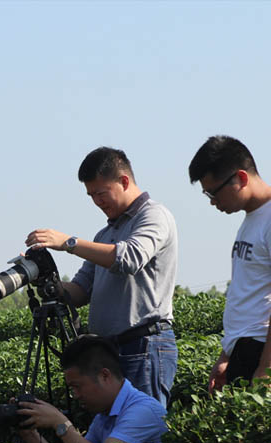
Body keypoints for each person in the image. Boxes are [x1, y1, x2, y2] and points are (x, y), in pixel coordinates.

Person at [25, 146, 179, 407]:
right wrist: (46, 281)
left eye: (101, 193)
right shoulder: (104, 235)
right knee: (111, 434)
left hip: (144, 346)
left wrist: (68, 243)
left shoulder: (154, 216)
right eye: (91, 195)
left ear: (124, 181)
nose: (97, 201)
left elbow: (129, 258)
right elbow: (81, 290)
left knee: (144, 431)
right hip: (108, 352)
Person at [188, 135, 271, 391]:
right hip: (247, 348)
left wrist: (268, 365)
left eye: (213, 192)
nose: (212, 201)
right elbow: (248, 294)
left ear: (241, 178)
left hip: (268, 352)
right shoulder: (253, 218)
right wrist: (227, 356)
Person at [15, 334, 167, 443]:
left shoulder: (141, 410)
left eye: (77, 386)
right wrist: (32, 436)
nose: (75, 395)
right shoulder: (104, 415)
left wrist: (60, 422)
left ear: (104, 376)